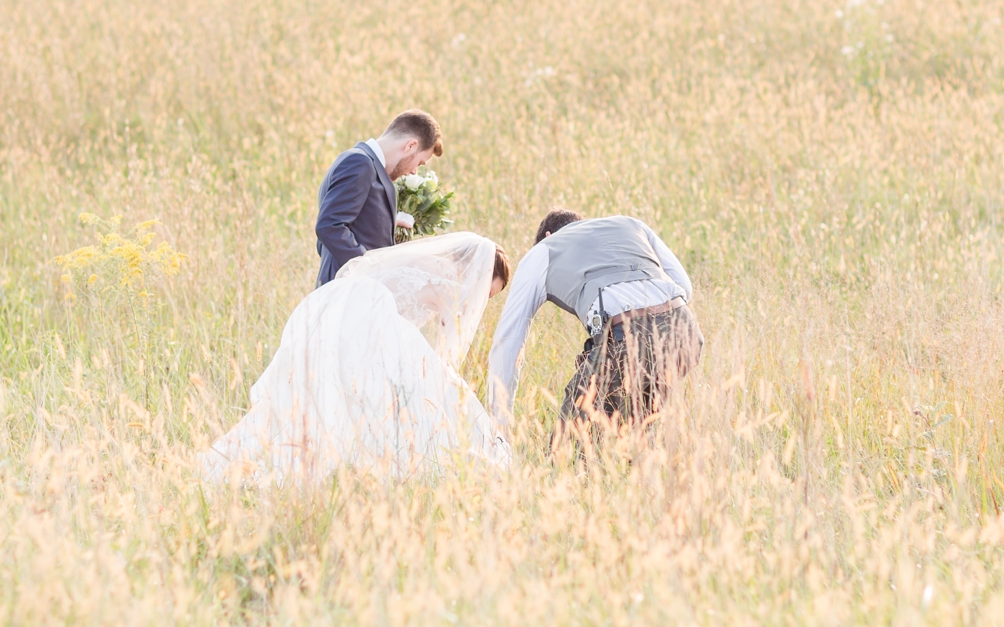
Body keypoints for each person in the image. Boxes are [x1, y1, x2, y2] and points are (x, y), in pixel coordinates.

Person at [202, 233, 513, 484]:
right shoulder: (450, 284)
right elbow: (444, 354)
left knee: (322, 397)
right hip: (368, 322)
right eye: (487, 292)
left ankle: (238, 454)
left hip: (347, 311)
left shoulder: (432, 262)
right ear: (478, 274)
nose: (480, 300)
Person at [487, 210, 702, 443]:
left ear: (548, 235)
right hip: (685, 333)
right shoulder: (631, 224)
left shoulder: (543, 250)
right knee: (634, 439)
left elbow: (508, 341)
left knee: (567, 450)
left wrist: (499, 424)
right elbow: (684, 286)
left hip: (628, 337)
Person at [314, 110, 443, 287]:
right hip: (347, 290)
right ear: (410, 146)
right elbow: (329, 226)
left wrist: (388, 223)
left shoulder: (364, 163)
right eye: (420, 163)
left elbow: (347, 223)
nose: (414, 171)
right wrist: (370, 269)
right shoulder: (360, 163)